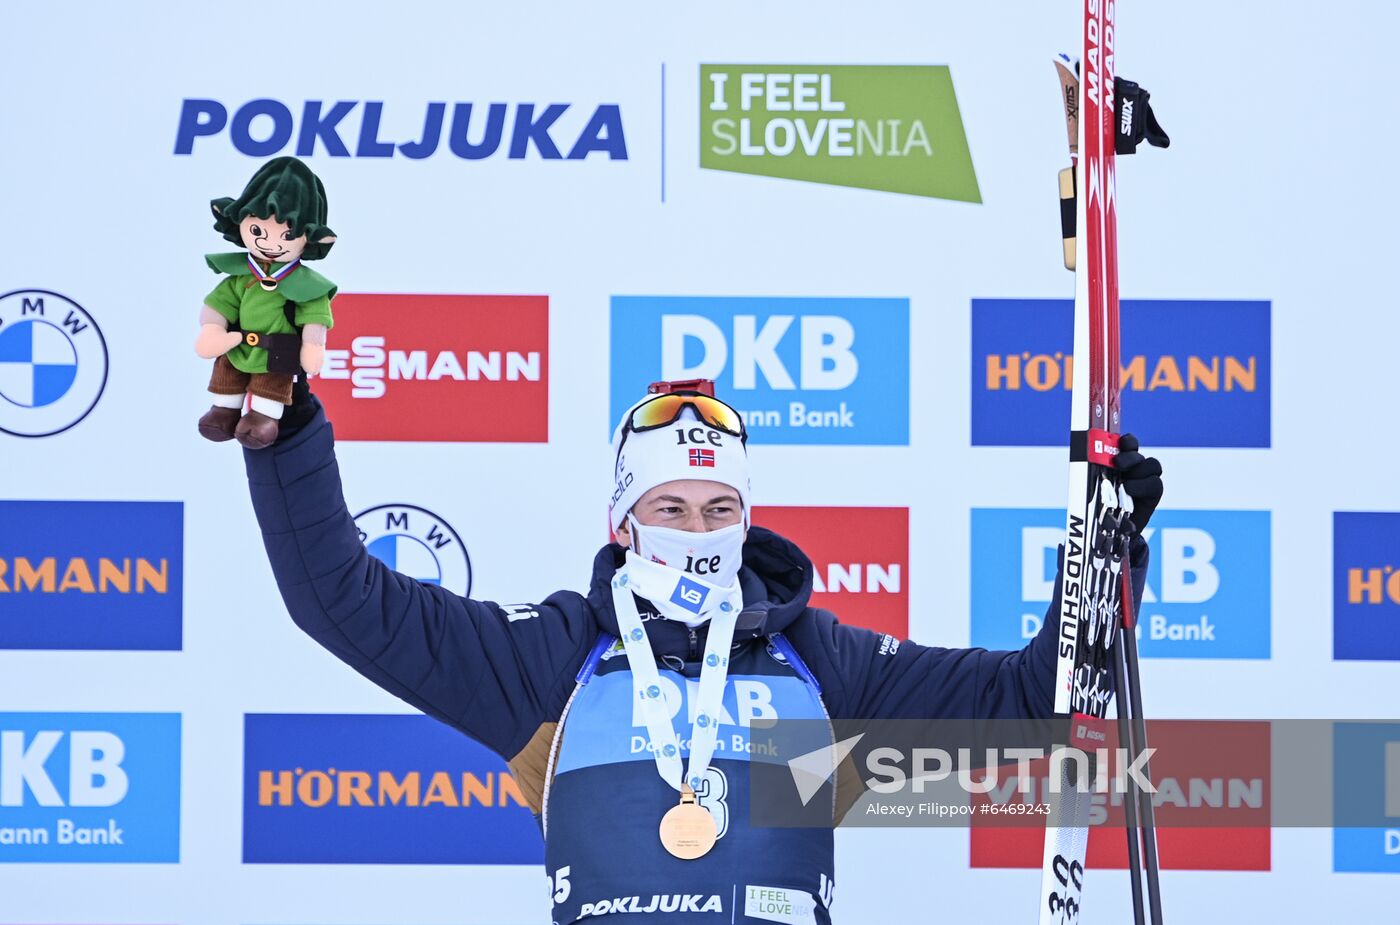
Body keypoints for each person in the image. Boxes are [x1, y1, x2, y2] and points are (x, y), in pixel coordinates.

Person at [242, 378, 1163, 924]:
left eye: (720, 509)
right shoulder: (552, 655)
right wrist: (289, 439)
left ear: (747, 518)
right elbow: (342, 600)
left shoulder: (821, 662)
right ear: (624, 521)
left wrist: (1105, 550)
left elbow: (1030, 702)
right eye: (670, 508)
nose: (697, 530)